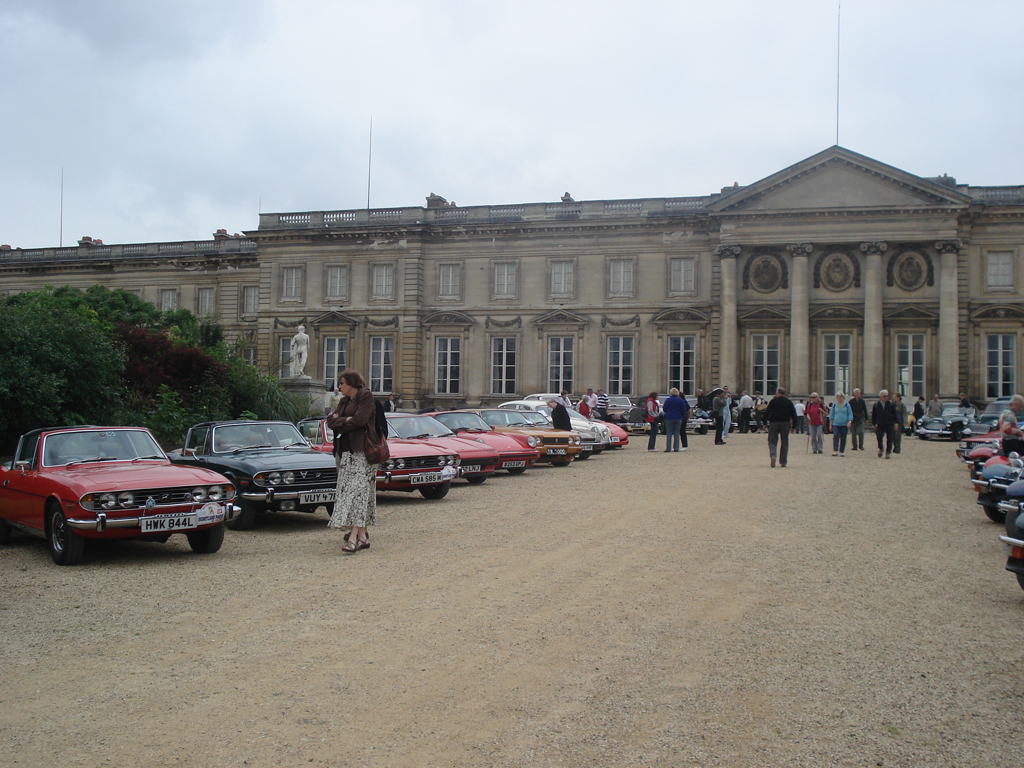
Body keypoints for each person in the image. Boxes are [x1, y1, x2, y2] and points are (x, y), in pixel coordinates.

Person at [326, 369, 379, 553]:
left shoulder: (366, 397)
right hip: (346, 451)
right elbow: (330, 422)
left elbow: (361, 420)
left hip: (363, 452)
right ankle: (363, 537)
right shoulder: (343, 401)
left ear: (351, 383)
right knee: (351, 492)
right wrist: (346, 420)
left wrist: (342, 420)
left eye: (341, 383)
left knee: (358, 493)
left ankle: (353, 537)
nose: (339, 387)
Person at [764, 387, 797, 468]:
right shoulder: (788, 402)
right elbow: (794, 415)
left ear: (778, 393)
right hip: (785, 423)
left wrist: (764, 423)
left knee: (772, 441)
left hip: (774, 423)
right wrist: (794, 426)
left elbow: (767, 412)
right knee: (784, 442)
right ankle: (783, 461)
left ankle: (773, 455)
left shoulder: (773, 401)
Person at [872, 389, 898, 459]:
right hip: (880, 424)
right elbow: (874, 415)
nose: (886, 397)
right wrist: (874, 424)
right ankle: (881, 448)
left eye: (887, 396)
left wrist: (896, 423)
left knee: (889, 438)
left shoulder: (891, 404)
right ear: (880, 397)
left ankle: (888, 452)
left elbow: (895, 414)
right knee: (879, 436)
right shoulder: (876, 405)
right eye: (884, 396)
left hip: (890, 423)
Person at [662, 387, 688, 452]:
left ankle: (668, 448)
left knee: (669, 433)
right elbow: (683, 410)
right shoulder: (680, 400)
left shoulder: (668, 400)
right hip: (678, 417)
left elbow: (664, 409)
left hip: (669, 417)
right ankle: (676, 448)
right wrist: (681, 415)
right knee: (677, 433)